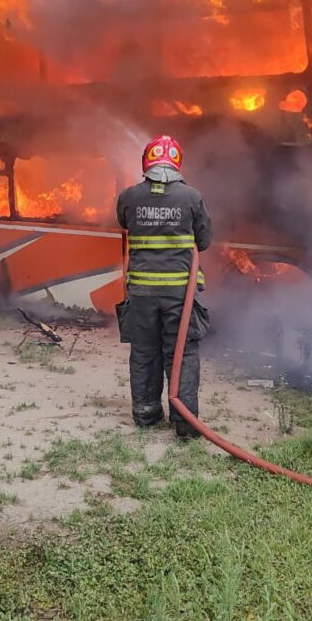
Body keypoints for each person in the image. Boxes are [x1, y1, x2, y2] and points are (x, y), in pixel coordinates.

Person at [116, 134, 213, 438]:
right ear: (177, 163)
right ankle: (185, 423)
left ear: (146, 161)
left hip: (141, 294)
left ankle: (145, 415)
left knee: (144, 351)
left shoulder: (129, 197)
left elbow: (123, 222)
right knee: (181, 354)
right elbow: (205, 240)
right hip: (179, 296)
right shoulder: (191, 197)